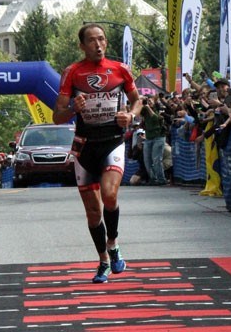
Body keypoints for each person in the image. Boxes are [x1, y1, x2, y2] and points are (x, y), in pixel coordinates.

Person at [53, 23, 142, 284]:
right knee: (93, 212)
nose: (98, 44)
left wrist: (130, 115)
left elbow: (137, 101)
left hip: (112, 141)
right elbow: (57, 116)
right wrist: (72, 109)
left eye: (101, 39)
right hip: (84, 145)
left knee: (110, 194)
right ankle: (104, 259)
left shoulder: (120, 69)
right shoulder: (73, 72)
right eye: (91, 40)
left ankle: (113, 243)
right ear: (82, 46)